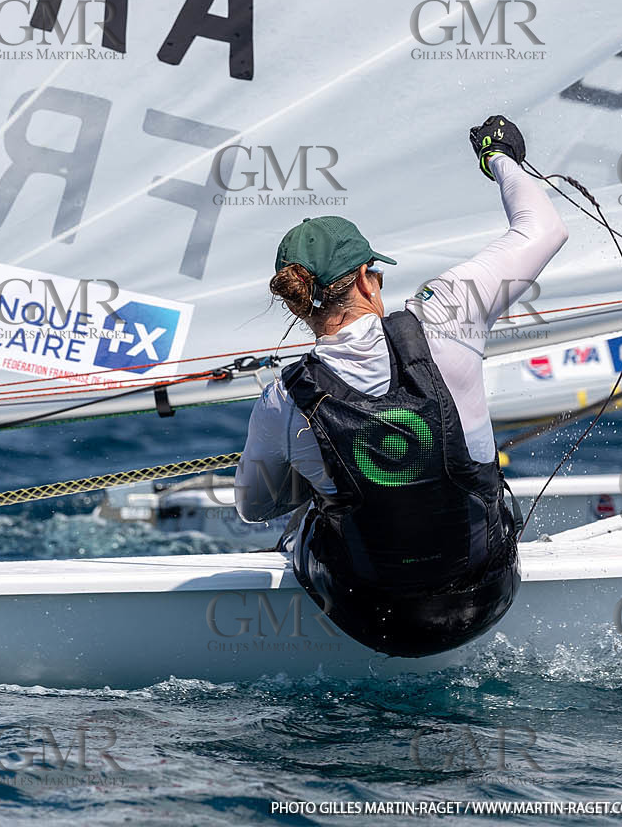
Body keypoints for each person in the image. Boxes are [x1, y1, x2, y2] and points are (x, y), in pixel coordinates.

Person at [234, 115, 568, 657]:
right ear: (367, 279)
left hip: (372, 618)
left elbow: (254, 507)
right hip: (484, 597)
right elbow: (544, 228)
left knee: (310, 513)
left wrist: (314, 466)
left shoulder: (282, 399)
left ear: (297, 304)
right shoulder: (447, 315)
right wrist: (500, 156)